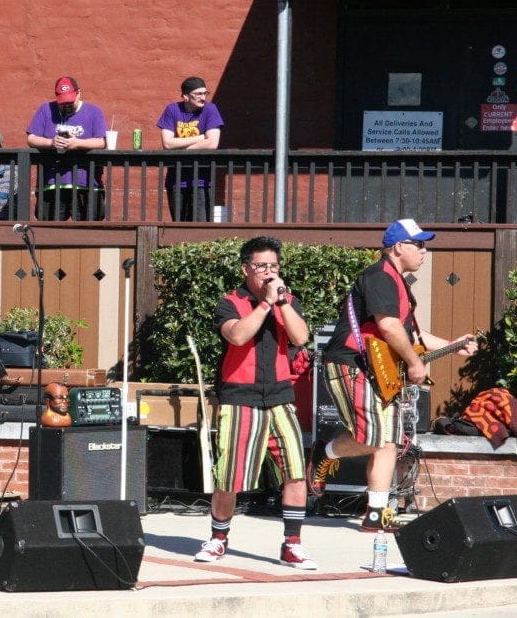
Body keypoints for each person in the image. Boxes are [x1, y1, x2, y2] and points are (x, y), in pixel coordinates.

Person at [309, 219, 479, 532]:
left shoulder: (399, 284)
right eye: (420, 244)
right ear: (399, 247)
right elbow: (387, 326)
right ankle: (326, 451)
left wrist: (455, 345)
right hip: (351, 363)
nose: (425, 251)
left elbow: (410, 333)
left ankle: (375, 514)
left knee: (387, 441)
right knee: (373, 437)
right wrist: (415, 363)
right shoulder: (379, 277)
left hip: (376, 369)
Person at [194, 236, 317, 570]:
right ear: (245, 268)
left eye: (273, 266)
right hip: (240, 397)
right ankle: (218, 539)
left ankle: (292, 544)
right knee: (229, 477)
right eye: (262, 266)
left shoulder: (287, 301)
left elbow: (301, 337)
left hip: (280, 397)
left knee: (294, 472)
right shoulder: (230, 301)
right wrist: (264, 304)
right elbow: (237, 336)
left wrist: (282, 304)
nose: (268, 272)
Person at [26, 76, 107, 221]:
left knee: (90, 229)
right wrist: (51, 143)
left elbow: (101, 141)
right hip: (52, 182)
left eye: (71, 101)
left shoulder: (94, 112)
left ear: (79, 93)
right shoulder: (46, 110)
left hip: (85, 183)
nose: (67, 105)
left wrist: (77, 143)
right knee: (49, 230)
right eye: (63, 103)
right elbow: (31, 138)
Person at [156, 76, 224, 222]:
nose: (203, 97)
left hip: (202, 179)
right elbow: (167, 144)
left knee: (201, 226)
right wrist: (200, 138)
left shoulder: (210, 109)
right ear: (186, 96)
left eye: (205, 93)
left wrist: (179, 147)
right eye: (198, 94)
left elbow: (212, 143)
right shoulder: (172, 110)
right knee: (179, 224)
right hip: (176, 178)